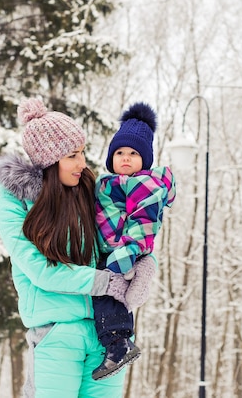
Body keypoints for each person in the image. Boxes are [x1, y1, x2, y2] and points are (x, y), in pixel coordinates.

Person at [0, 97, 151, 398]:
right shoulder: (15, 200)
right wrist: (104, 282)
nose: (82, 163)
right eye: (72, 155)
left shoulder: (95, 189)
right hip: (57, 332)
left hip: (108, 335)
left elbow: (128, 231)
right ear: (50, 160)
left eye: (83, 152)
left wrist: (144, 264)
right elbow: (39, 270)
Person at [91, 102, 176, 381]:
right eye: (119, 152)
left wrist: (124, 257)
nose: (125, 158)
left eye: (133, 153)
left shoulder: (146, 185)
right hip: (107, 250)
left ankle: (118, 345)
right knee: (105, 294)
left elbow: (144, 224)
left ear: (145, 159)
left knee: (108, 294)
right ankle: (116, 343)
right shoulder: (105, 183)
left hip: (125, 252)